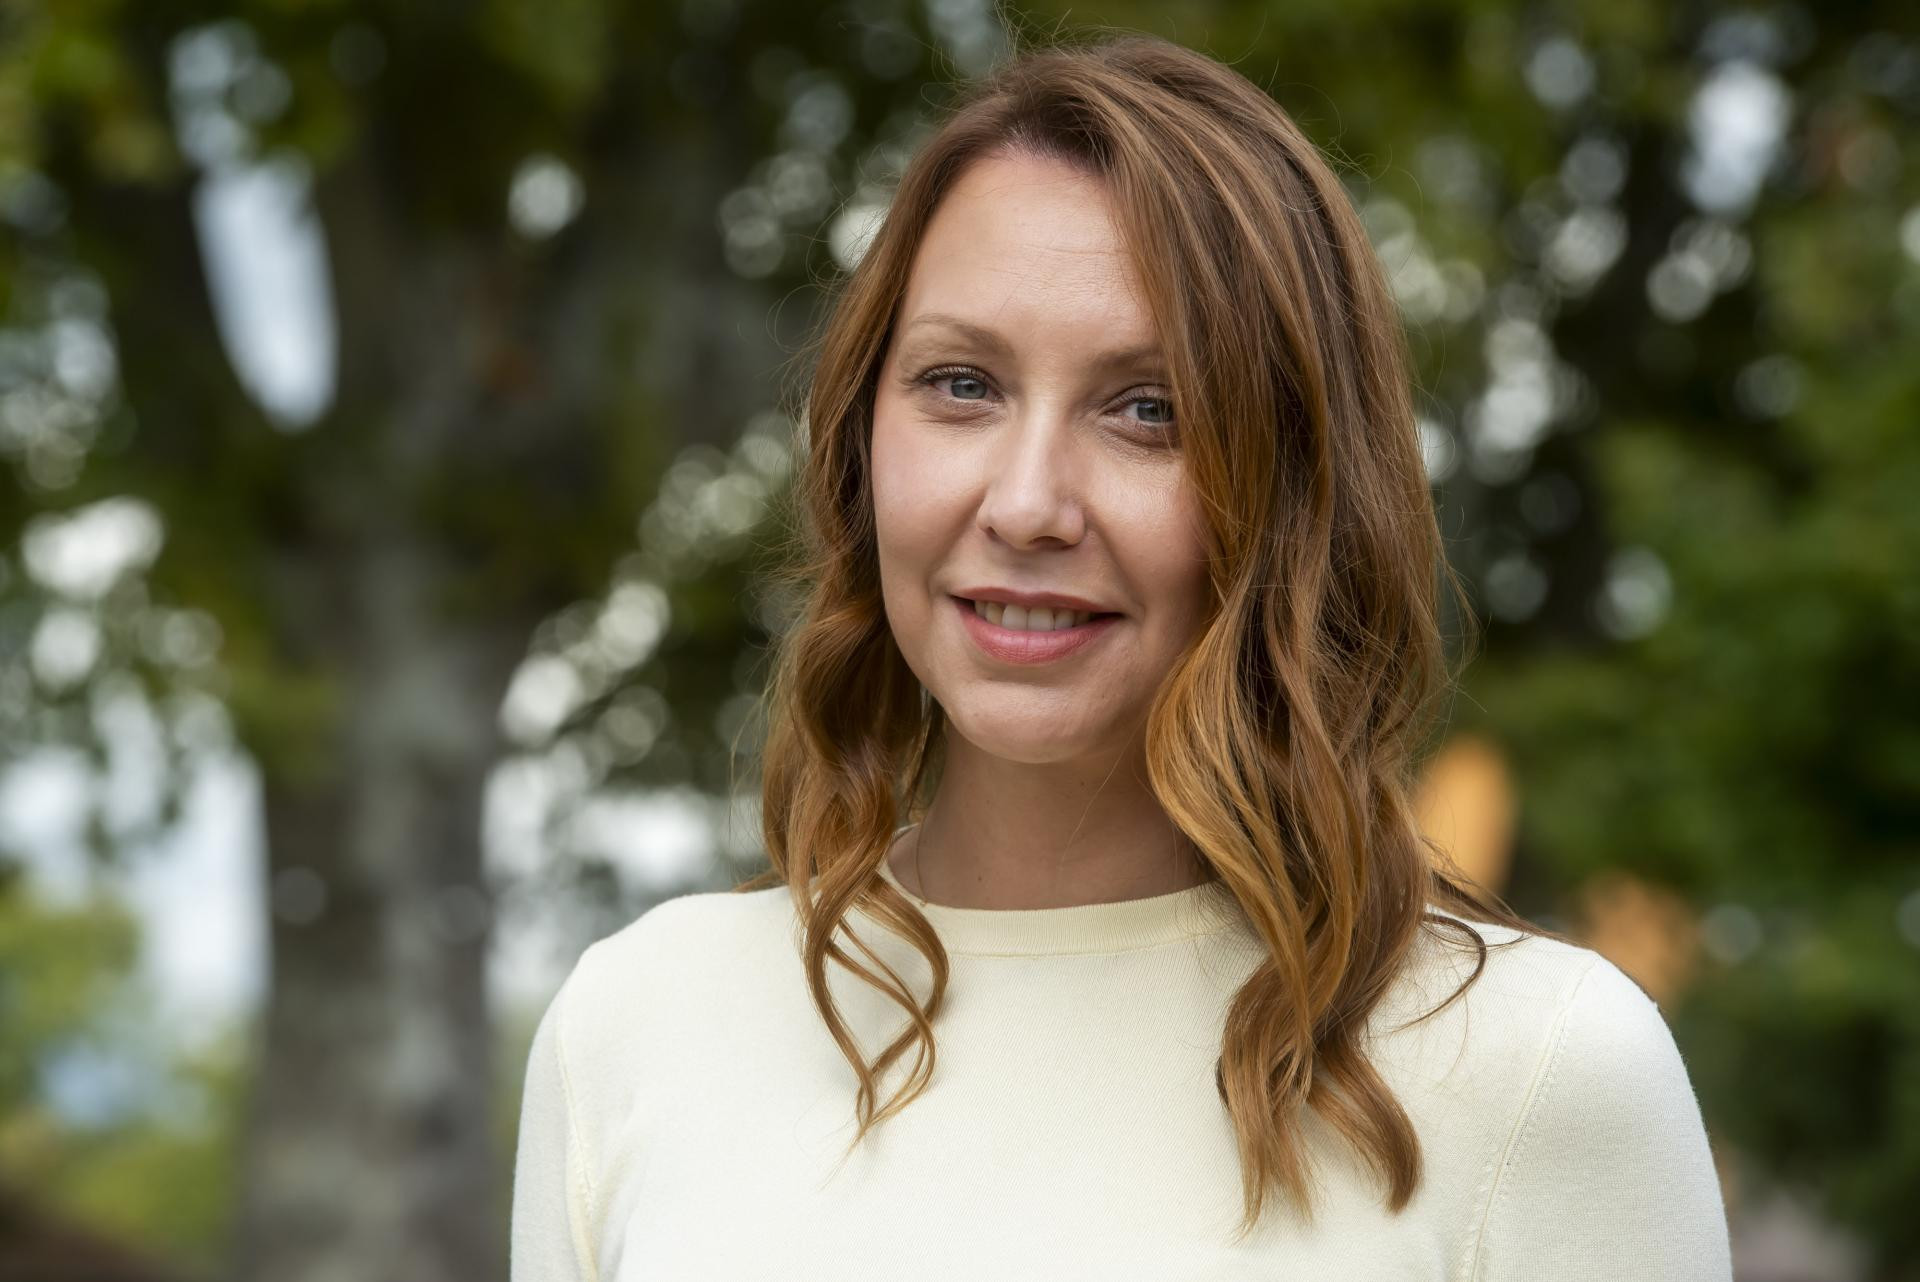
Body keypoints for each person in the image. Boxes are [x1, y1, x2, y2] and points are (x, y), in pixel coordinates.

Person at [510, 29, 1734, 1281]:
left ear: (1298, 491)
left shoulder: (1538, 1071)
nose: (1028, 504)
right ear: (860, 443)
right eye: (962, 385)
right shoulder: (635, 1028)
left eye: (1149, 409)